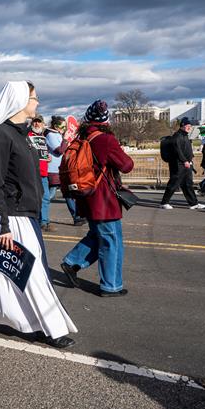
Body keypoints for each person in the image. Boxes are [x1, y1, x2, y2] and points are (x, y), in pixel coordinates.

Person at [0, 81, 77, 349]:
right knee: (32, 274)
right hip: (12, 217)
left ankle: (31, 322)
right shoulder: (0, 136)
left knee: (24, 273)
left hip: (26, 215)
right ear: (19, 100)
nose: (37, 102)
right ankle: (51, 328)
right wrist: (3, 225)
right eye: (34, 98)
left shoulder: (22, 134)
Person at [60, 100, 134, 297]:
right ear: (105, 120)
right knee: (111, 241)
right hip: (104, 199)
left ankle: (71, 262)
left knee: (97, 235)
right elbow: (127, 165)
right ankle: (110, 286)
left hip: (87, 196)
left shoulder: (83, 136)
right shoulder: (105, 140)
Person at [45, 115, 83, 226]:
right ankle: (40, 217)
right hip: (53, 170)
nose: (63, 129)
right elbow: (59, 150)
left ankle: (77, 216)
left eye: (64, 126)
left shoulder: (58, 135)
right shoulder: (50, 135)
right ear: (55, 126)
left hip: (61, 169)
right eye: (61, 126)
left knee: (68, 193)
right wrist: (65, 140)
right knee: (49, 196)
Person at [160, 117, 203, 209]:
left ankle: (193, 203)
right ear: (182, 126)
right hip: (178, 164)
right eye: (188, 126)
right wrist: (185, 161)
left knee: (188, 184)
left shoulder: (185, 135)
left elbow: (186, 150)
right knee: (173, 183)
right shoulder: (177, 136)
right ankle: (164, 203)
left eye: (190, 126)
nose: (189, 128)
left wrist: (190, 160)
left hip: (186, 164)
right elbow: (177, 151)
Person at [29, 114, 53, 230]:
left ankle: (44, 221)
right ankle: (39, 221)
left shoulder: (43, 137)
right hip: (32, 172)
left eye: (39, 122)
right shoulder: (27, 136)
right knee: (35, 197)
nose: (36, 124)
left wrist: (48, 157)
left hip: (43, 172)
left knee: (46, 197)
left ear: (43, 124)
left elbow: (44, 153)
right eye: (34, 122)